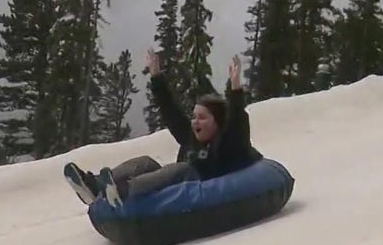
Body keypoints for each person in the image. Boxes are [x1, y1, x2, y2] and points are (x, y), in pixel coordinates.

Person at [64, 49, 263, 207]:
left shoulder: (227, 143)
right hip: (177, 188)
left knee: (184, 168)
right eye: (194, 117)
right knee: (146, 162)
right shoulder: (190, 137)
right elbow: (170, 111)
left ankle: (123, 191)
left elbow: (238, 124)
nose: (195, 122)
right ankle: (96, 185)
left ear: (217, 122)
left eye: (202, 118)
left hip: (203, 190)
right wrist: (156, 77)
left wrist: (236, 90)